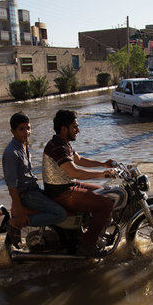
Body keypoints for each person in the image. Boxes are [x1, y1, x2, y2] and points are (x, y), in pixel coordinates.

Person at [42, 109, 116, 256]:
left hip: (69, 185)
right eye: (74, 127)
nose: (78, 130)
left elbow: (80, 160)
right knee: (106, 203)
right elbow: (74, 172)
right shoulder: (57, 147)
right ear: (64, 129)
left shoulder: (64, 143)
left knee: (105, 191)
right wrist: (102, 173)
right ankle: (87, 243)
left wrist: (103, 164)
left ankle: (89, 231)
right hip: (62, 193)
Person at [2, 112, 66, 246]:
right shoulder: (11, 152)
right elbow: (12, 185)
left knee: (64, 200)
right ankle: (16, 224)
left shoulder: (23, 145)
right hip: (26, 194)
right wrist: (19, 212)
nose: (26, 132)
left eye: (28, 128)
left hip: (33, 189)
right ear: (12, 131)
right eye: (21, 129)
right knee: (60, 214)